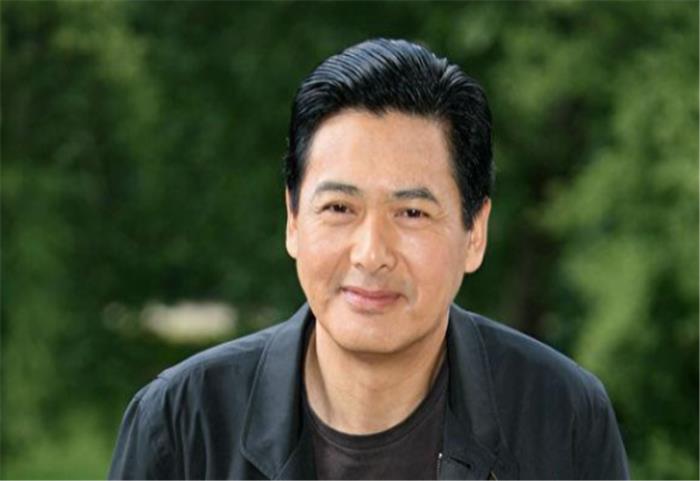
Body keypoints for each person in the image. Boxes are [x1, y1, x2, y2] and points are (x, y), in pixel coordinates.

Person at [108, 38, 629, 480]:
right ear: (293, 220)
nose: (371, 253)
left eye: (412, 213)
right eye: (339, 208)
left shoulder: (563, 417)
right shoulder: (180, 425)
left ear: (474, 233)